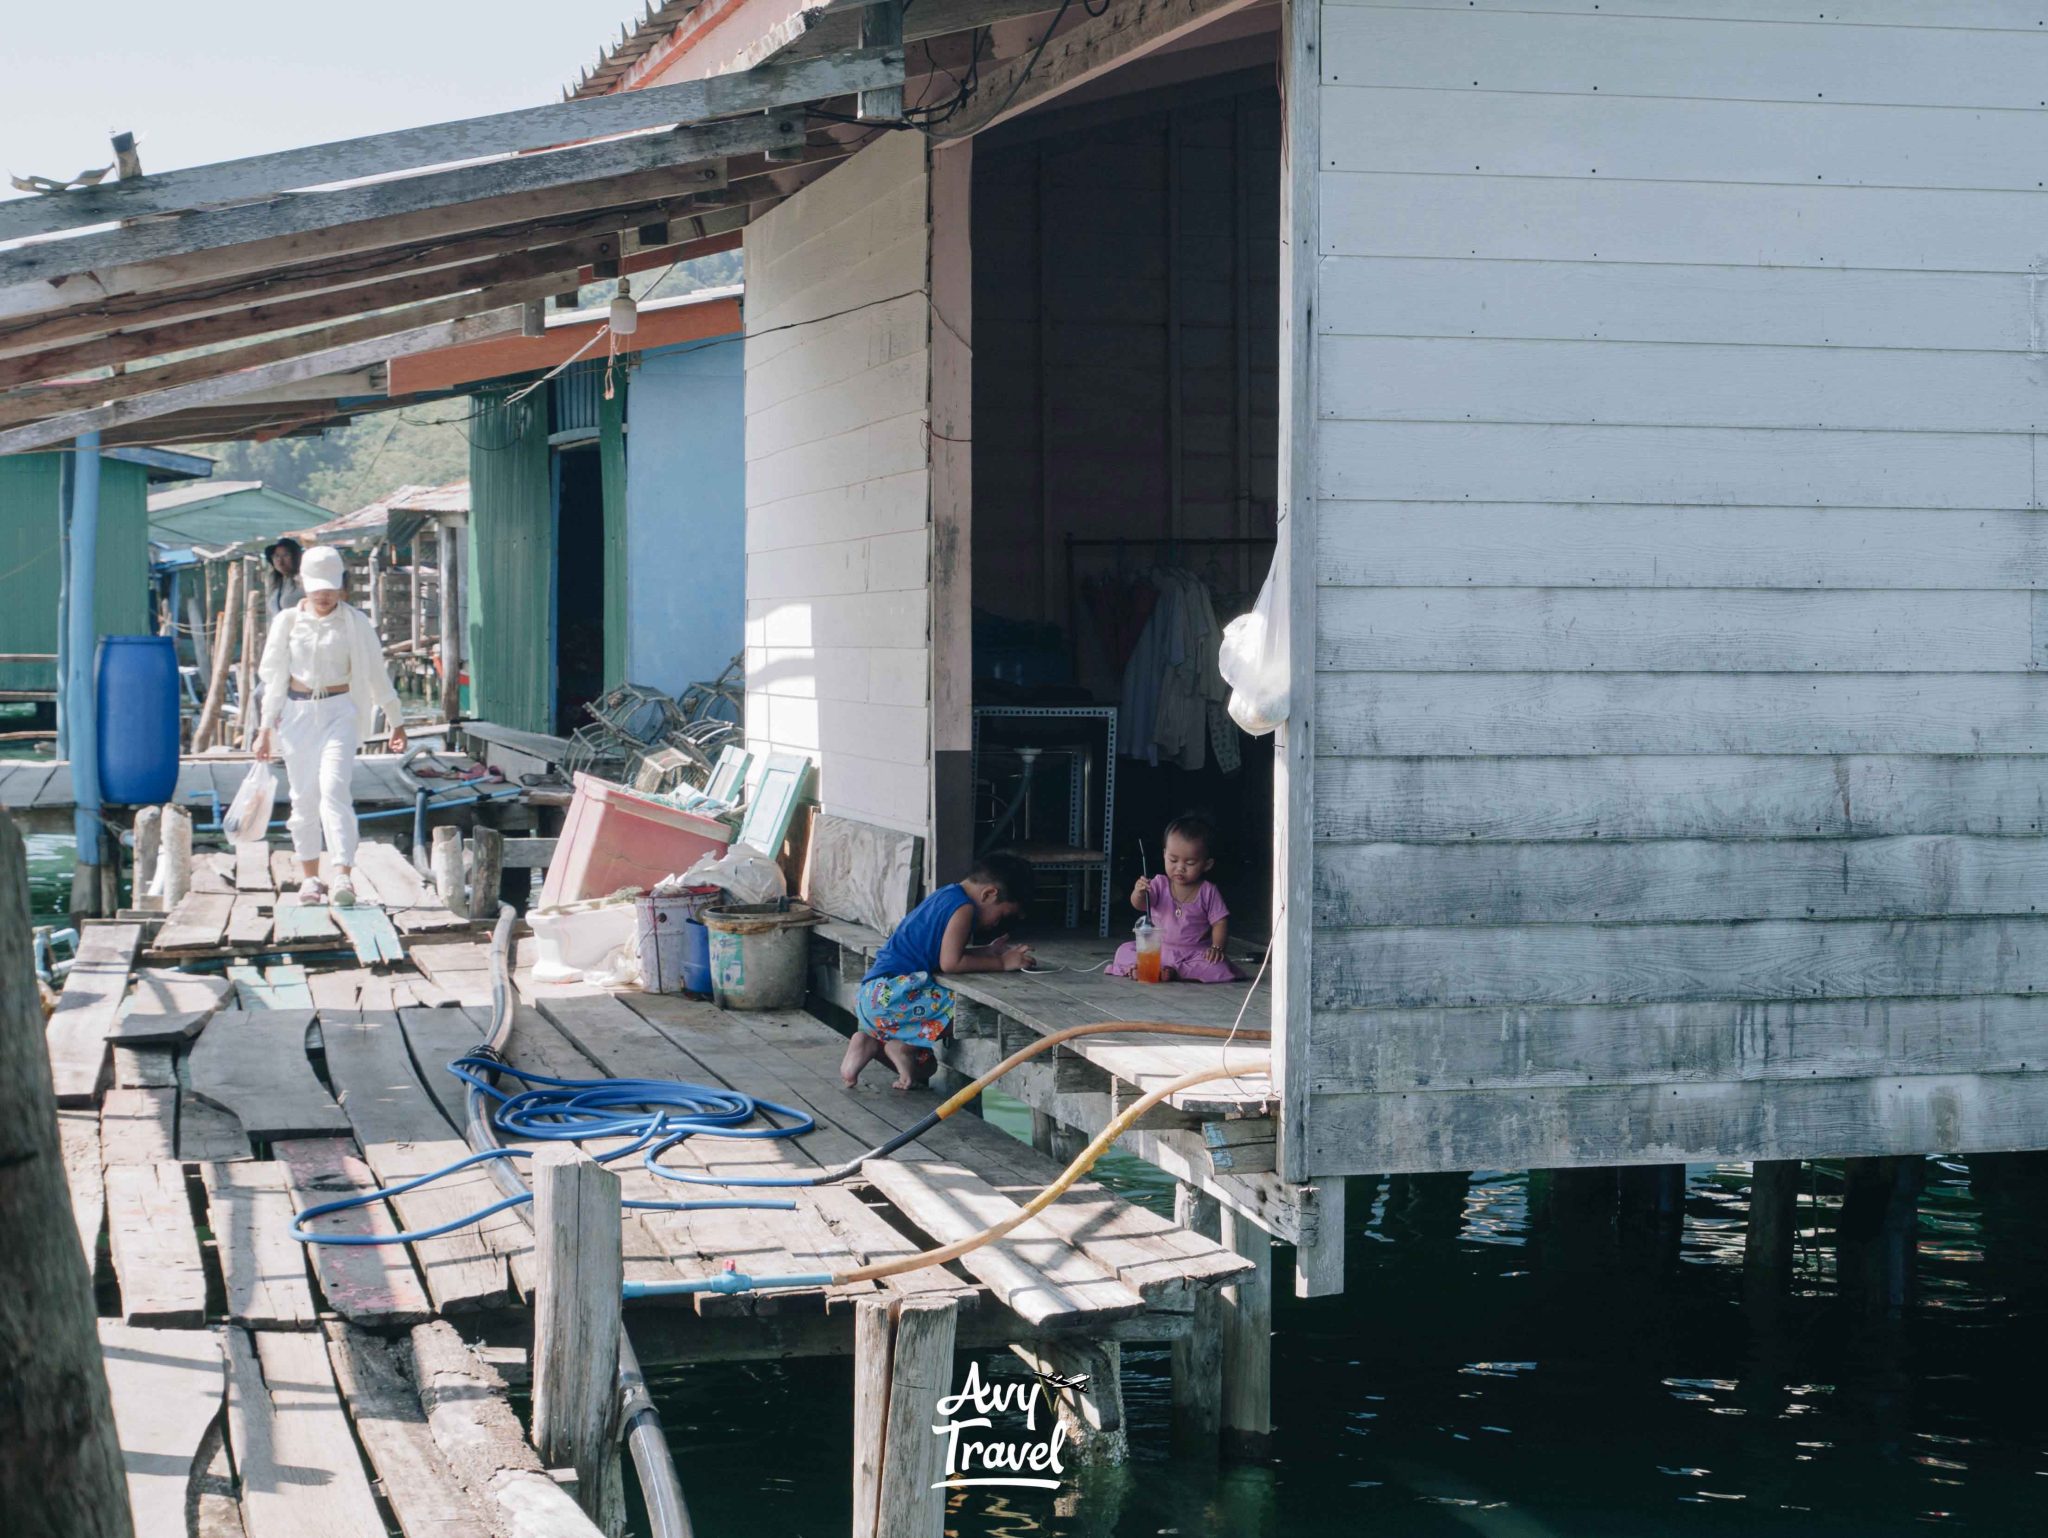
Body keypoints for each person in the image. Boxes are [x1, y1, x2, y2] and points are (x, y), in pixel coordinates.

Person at [252, 546, 406, 906]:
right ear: (304, 584)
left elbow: (375, 675)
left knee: (334, 789)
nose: (323, 595)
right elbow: (274, 678)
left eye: (330, 588)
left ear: (342, 587)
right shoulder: (287, 622)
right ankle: (310, 879)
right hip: (296, 714)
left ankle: (342, 875)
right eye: (316, 587)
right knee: (303, 799)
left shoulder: (356, 622)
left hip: (340, 711)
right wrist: (264, 729)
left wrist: (396, 721)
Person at [840, 852, 1038, 1090]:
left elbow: (945, 953)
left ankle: (866, 1042)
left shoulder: (946, 895)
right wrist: (1003, 963)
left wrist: (987, 952)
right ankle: (903, 1046)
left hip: (874, 994)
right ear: (989, 894)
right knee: (970, 1009)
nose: (998, 923)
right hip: (896, 996)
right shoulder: (963, 908)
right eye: (1003, 915)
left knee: (927, 1066)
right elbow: (951, 963)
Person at [1108, 814, 1240, 982]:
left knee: (1217, 966)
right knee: (1124, 951)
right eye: (1173, 860)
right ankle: (1147, 968)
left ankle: (1171, 972)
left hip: (1193, 953)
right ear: (1164, 855)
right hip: (1158, 949)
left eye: (1190, 863)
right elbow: (1140, 905)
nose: (1180, 868)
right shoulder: (1158, 884)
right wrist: (1139, 892)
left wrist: (1217, 947)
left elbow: (1220, 922)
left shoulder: (1208, 891)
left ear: (1207, 864)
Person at [263, 537, 305, 617]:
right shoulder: (279, 583)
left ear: (296, 557)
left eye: (285, 555)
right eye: (276, 556)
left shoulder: (303, 581)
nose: (280, 560)